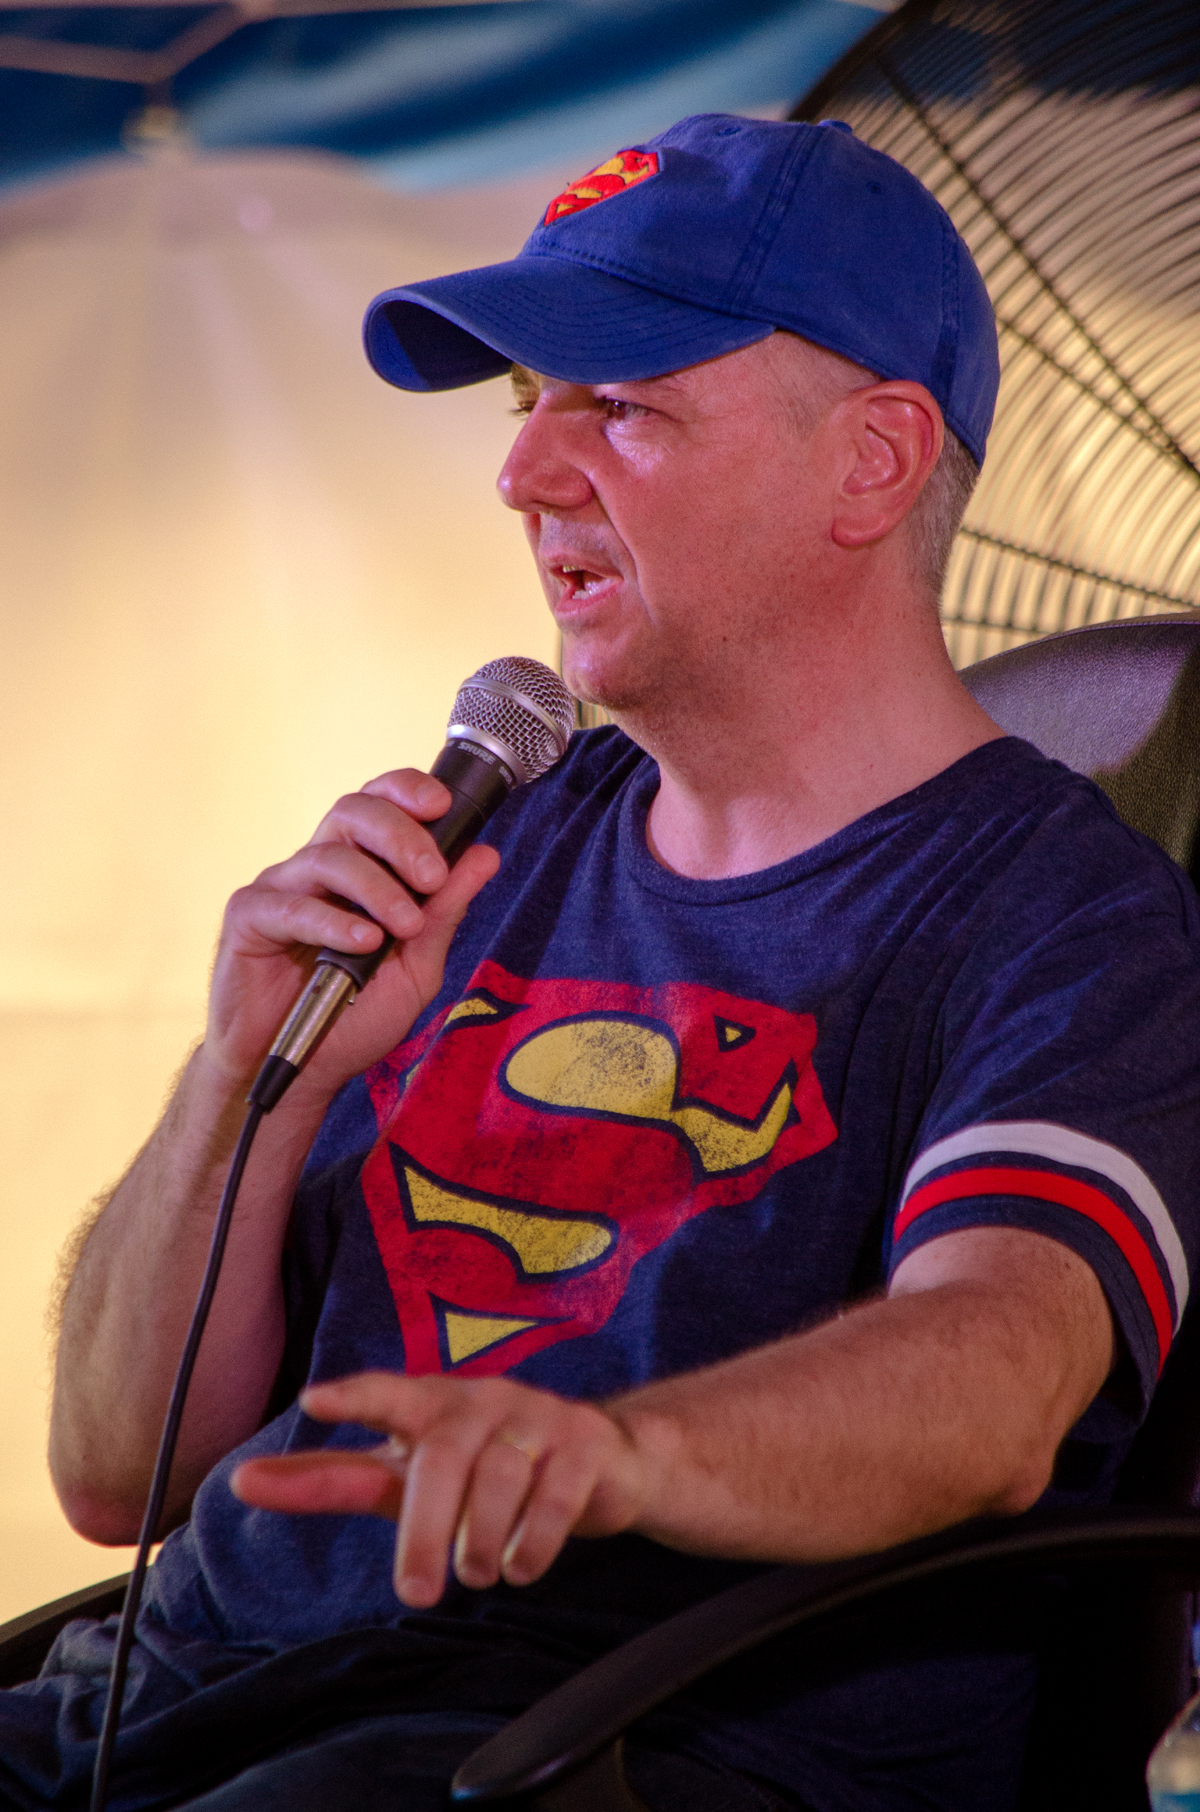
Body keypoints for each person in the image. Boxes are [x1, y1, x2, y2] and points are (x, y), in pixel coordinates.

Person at [7, 114, 1199, 1812]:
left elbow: (1000, 1375)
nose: (523, 474)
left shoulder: (1065, 912)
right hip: (158, 1701)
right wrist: (241, 1084)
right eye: (528, 403)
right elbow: (113, 1473)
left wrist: (616, 1452)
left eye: (620, 405)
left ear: (872, 462)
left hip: (576, 1747)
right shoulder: (493, 840)